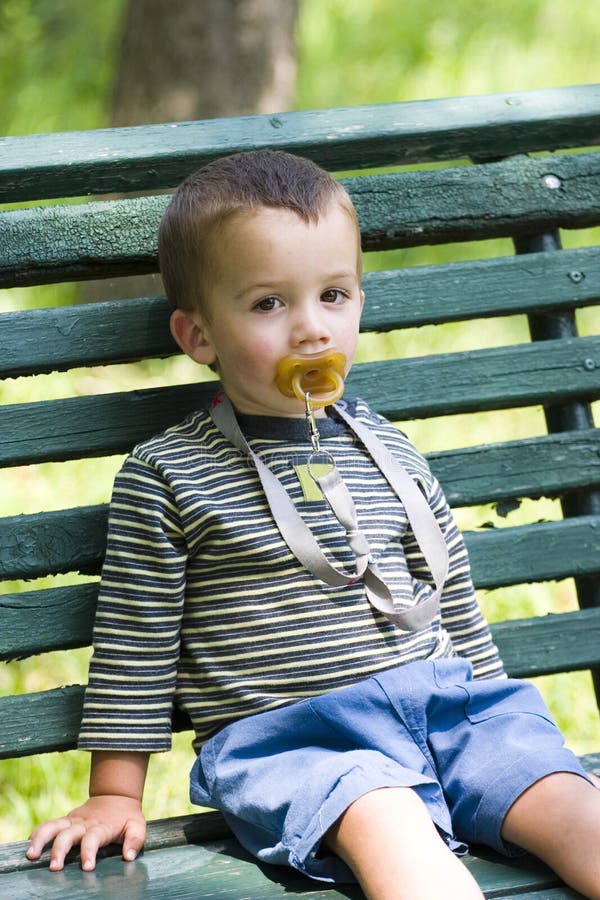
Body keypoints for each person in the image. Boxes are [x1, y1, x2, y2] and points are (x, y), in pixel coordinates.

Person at [27, 150, 600, 900]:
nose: (311, 330)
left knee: (569, 805)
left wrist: (491, 717)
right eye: (269, 304)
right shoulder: (169, 476)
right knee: (388, 821)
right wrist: (114, 793)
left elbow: (448, 590)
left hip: (447, 711)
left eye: (333, 296)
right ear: (199, 336)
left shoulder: (387, 446)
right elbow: (136, 643)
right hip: (303, 744)